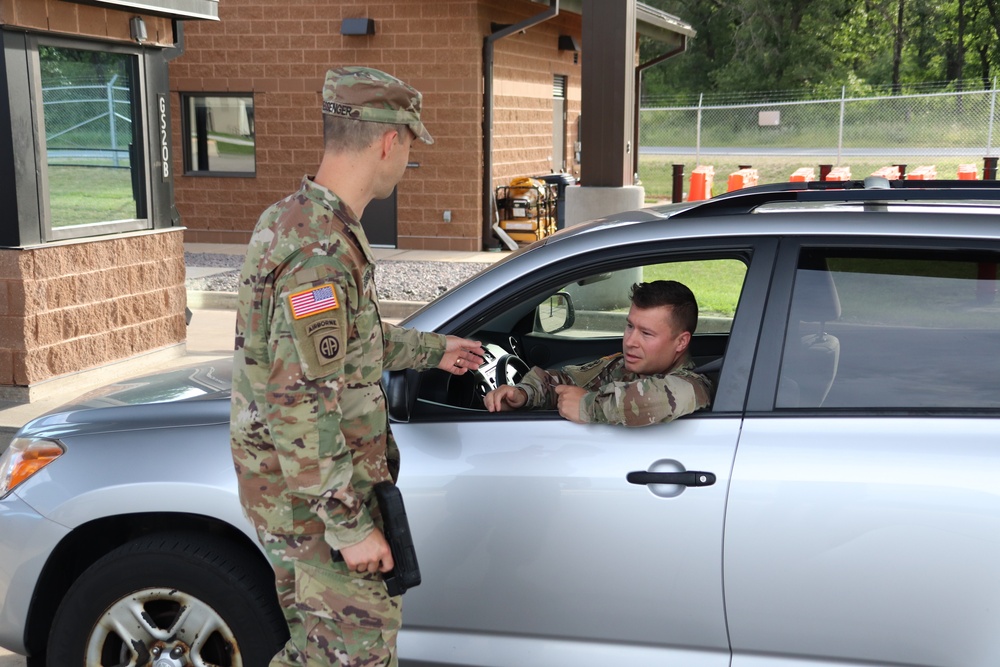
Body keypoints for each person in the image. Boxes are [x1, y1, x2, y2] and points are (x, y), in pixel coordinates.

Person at [230, 66, 485, 667]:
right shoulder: (318, 249)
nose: (409, 158)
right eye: (411, 142)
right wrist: (348, 524)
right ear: (388, 140)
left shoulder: (296, 219)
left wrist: (433, 352)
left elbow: (344, 346)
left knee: (320, 650)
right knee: (355, 650)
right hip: (317, 499)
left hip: (301, 491)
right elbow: (298, 402)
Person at [484, 280, 712, 426]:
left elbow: (661, 399)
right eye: (630, 326)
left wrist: (588, 406)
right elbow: (565, 381)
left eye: (647, 333)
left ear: (681, 342)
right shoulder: (621, 368)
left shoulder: (693, 386)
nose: (630, 341)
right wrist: (523, 395)